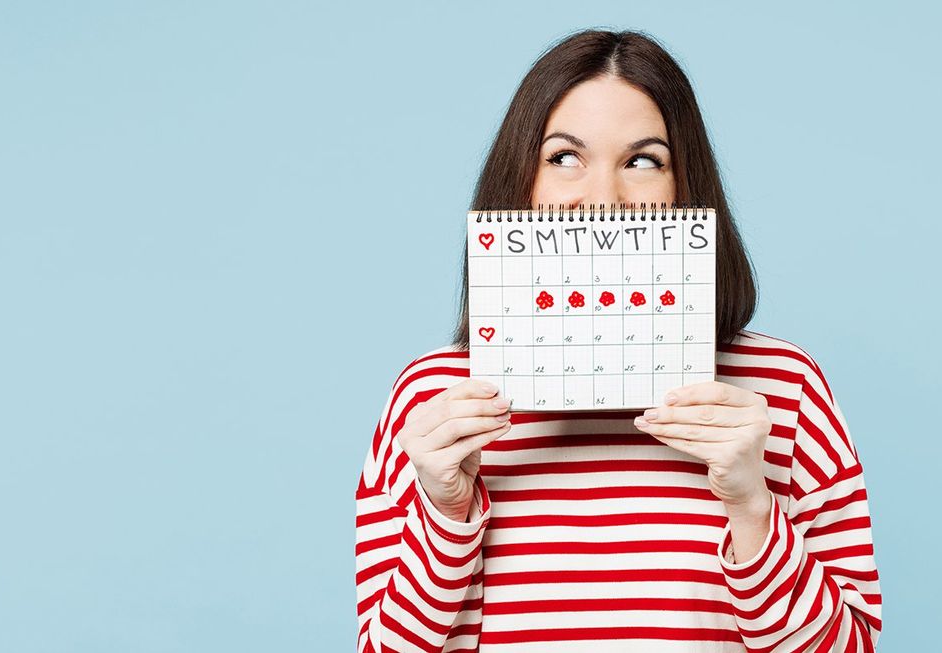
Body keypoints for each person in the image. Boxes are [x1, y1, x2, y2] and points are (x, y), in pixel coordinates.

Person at [354, 29, 882, 652]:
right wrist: (445, 513)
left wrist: (753, 509)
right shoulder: (434, 399)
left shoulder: (785, 389)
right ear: (520, 182)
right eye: (564, 158)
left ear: (686, 188)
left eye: (642, 161)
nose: (603, 199)